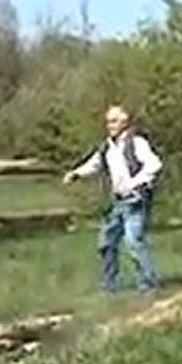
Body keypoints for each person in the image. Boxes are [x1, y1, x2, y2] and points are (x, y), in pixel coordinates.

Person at [62, 105, 162, 294]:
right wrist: (76, 173)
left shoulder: (137, 143)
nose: (110, 125)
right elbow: (95, 164)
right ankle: (108, 286)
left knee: (133, 242)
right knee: (106, 243)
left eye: (114, 121)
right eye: (108, 121)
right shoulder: (107, 146)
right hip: (118, 202)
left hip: (136, 200)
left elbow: (154, 165)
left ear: (125, 122)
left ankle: (148, 285)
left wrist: (135, 182)